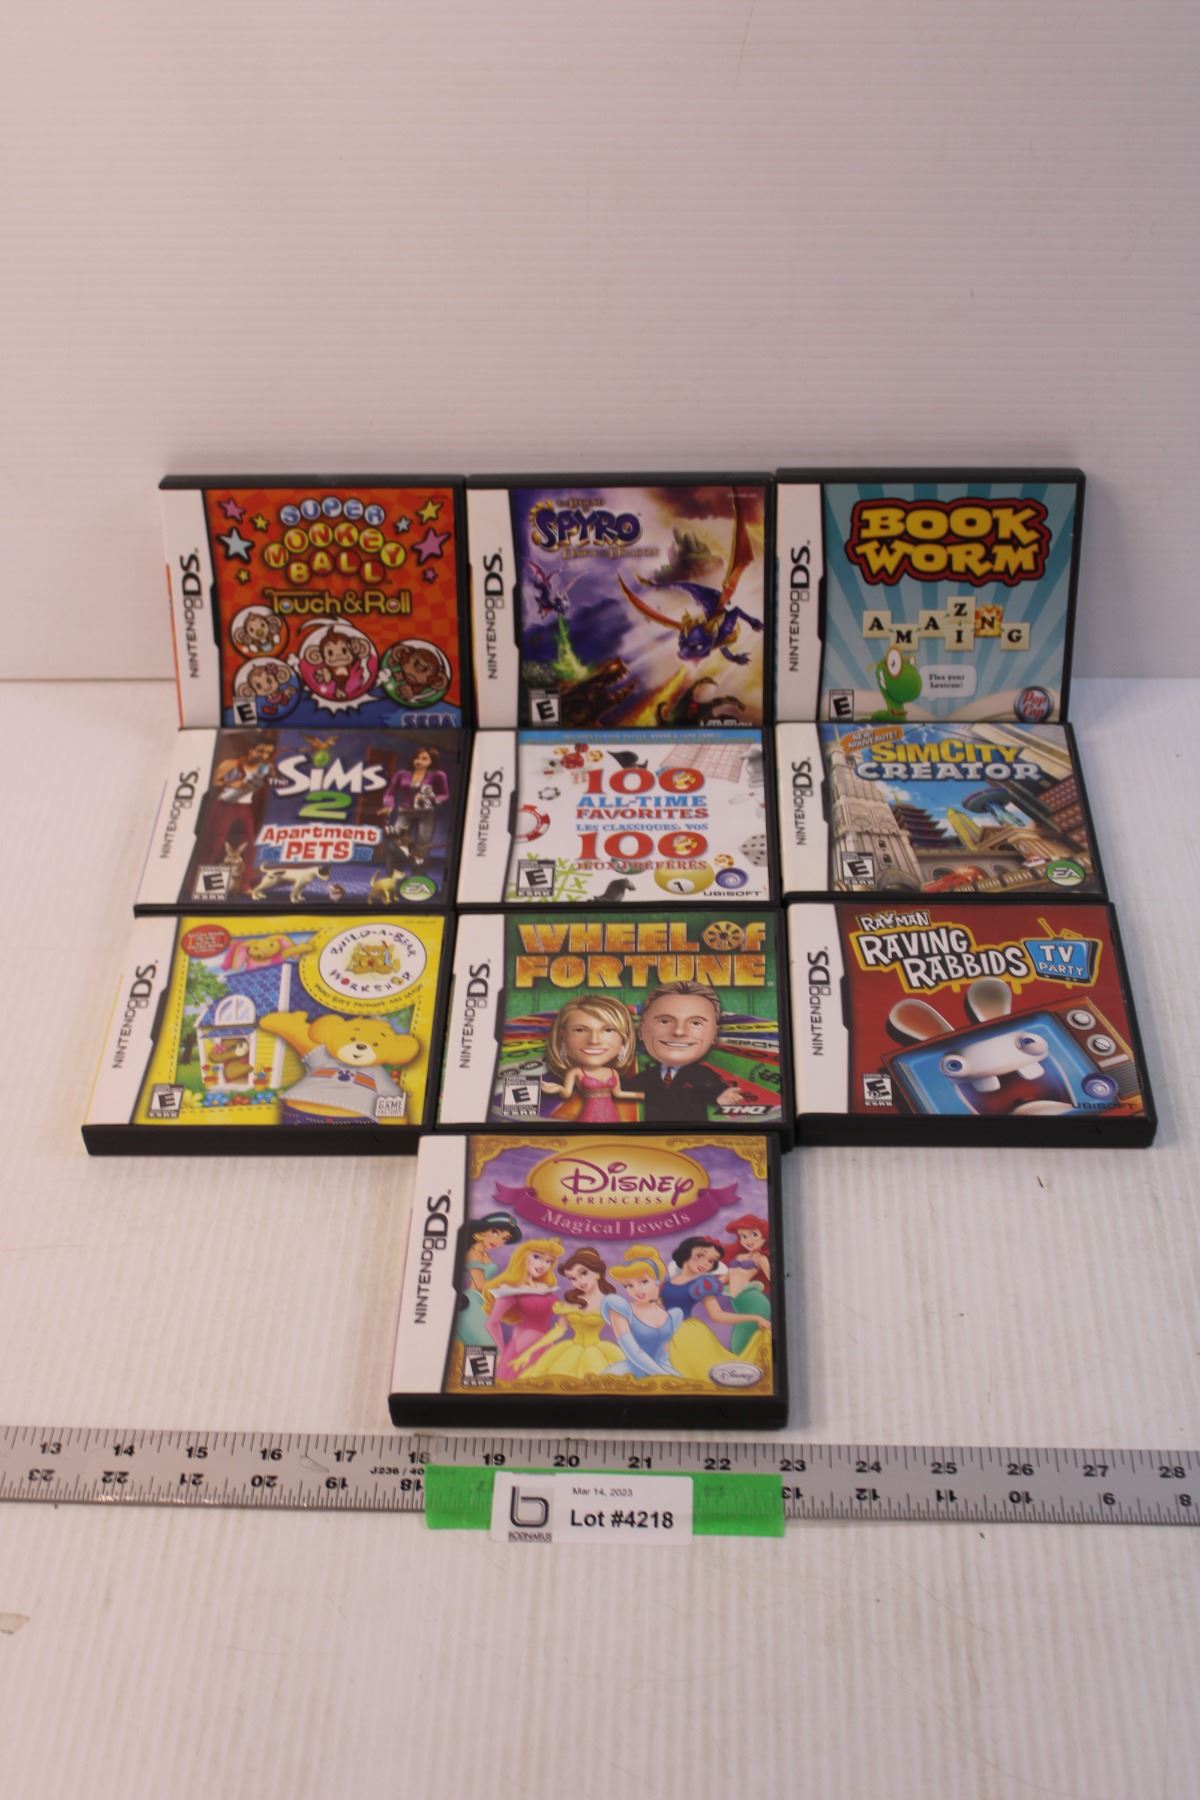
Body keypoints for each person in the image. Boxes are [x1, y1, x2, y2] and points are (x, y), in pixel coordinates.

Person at [625, 982, 744, 1123]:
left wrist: (722, 1099)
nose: (679, 1031)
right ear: (641, 1030)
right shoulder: (643, 1078)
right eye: (664, 1021)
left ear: (714, 1034)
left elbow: (715, 1091)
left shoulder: (703, 1075)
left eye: (696, 1023)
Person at [660, 1236, 771, 1377]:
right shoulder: (667, 1282)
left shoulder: (703, 1284)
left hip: (685, 1334)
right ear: (686, 1252)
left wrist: (755, 1318)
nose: (705, 1263)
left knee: (696, 1374)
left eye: (711, 1261)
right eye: (700, 1255)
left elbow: (717, 1314)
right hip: (662, 1330)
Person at [512, 1248, 623, 1381]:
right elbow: (558, 1331)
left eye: (583, 1273)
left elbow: (623, 1333)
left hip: (599, 1352)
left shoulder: (610, 1303)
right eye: (573, 1278)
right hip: (569, 1351)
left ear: (598, 1273)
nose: (579, 1281)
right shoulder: (570, 1303)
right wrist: (528, 1352)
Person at [540, 997, 640, 1123]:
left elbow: (619, 1093)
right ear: (562, 1037)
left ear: (624, 1038)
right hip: (589, 1114)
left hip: (610, 1113)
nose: (594, 1040)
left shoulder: (612, 1072)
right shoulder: (576, 1072)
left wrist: (646, 1095)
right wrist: (557, 1089)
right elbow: (566, 1093)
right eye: (580, 1030)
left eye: (608, 1030)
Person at [481, 1238, 563, 1381]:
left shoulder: (544, 1287)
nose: (542, 1265)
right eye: (537, 1257)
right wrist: (501, 1351)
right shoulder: (510, 1289)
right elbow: (492, 1323)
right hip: (523, 1346)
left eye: (548, 1261)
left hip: (545, 1344)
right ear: (522, 1257)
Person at [601, 1246, 684, 1380]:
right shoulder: (620, 1310)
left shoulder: (672, 1316)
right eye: (629, 1285)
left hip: (662, 1370)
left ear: (657, 1280)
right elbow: (633, 1352)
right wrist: (664, 1375)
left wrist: (670, 1374)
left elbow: (664, 1355)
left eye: (643, 1281)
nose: (636, 1290)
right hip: (630, 1374)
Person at [452, 1212, 522, 1347]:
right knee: (489, 1348)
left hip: (482, 1303)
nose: (498, 1240)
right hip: (472, 1302)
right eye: (495, 1232)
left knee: (484, 1350)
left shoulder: (483, 1253)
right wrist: (503, 1291)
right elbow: (479, 1284)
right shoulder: (474, 1252)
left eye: (504, 1238)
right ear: (482, 1231)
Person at [379, 746, 450, 869]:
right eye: (416, 758)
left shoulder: (438, 775)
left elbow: (444, 794)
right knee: (396, 840)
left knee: (423, 843)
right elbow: (390, 792)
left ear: (431, 761)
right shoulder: (402, 774)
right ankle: (395, 871)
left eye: (424, 758)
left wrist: (433, 800)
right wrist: (389, 805)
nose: (418, 761)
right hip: (405, 811)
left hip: (426, 813)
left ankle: (418, 873)